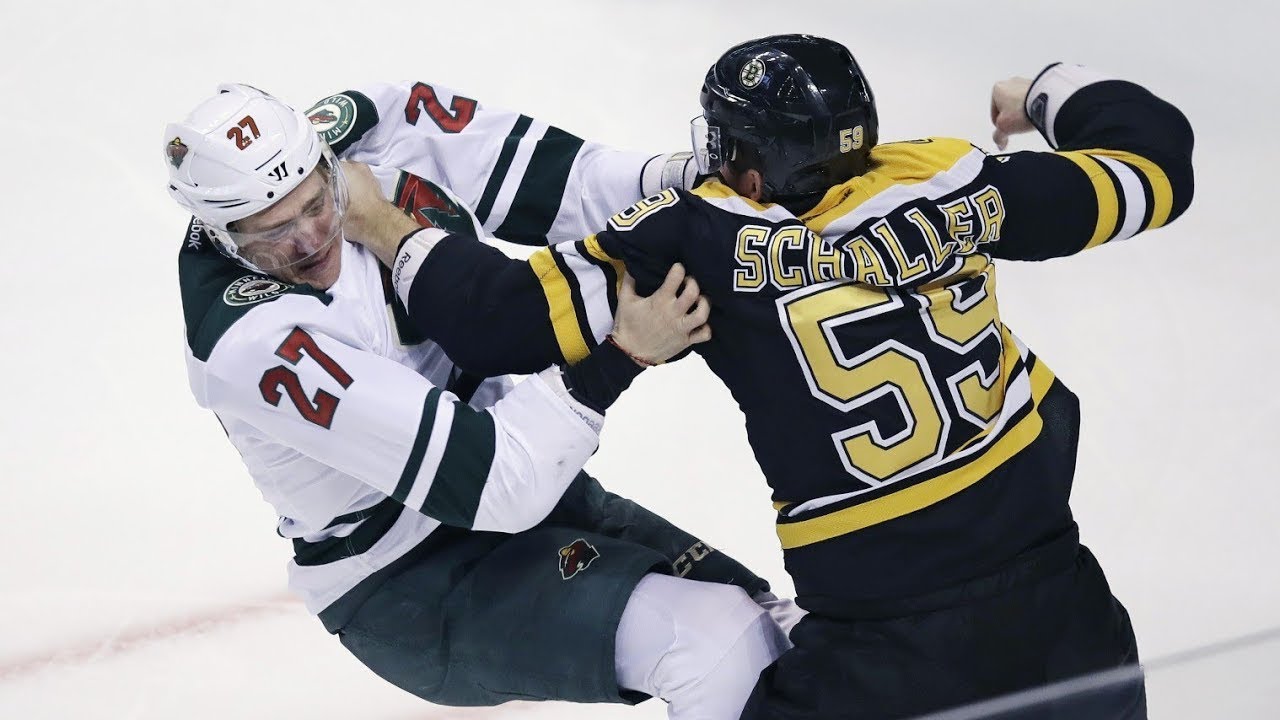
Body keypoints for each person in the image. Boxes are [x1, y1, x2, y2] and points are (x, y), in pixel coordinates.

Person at [345, 35, 1194, 718]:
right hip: (1072, 618)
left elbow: (496, 321)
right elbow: (1157, 167)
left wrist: (384, 225)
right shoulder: (956, 177)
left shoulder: (697, 238)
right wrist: (1049, 87)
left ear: (748, 167)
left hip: (890, 659)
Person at [163, 82, 791, 719]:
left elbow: (562, 180)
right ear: (219, 232)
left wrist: (699, 179)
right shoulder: (251, 344)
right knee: (714, 643)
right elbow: (496, 482)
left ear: (325, 161)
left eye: (316, 204)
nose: (309, 240)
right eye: (273, 233)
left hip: (539, 495)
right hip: (407, 580)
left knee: (783, 635)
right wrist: (621, 357)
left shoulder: (374, 129)